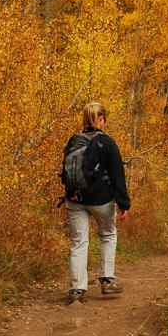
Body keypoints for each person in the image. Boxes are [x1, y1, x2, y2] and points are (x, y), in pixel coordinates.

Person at [61, 101, 131, 304]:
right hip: (101, 200)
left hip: (75, 199)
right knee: (108, 235)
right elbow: (118, 175)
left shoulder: (74, 141)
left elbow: (66, 172)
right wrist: (124, 204)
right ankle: (107, 280)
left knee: (78, 242)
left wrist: (71, 193)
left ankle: (77, 289)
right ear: (101, 119)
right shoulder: (107, 142)